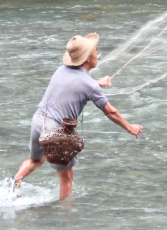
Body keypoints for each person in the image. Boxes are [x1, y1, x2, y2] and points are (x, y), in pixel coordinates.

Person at [12, 32, 142, 198]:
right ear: (87, 59)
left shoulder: (61, 70)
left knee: (37, 160)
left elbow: (74, 84)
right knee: (67, 179)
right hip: (56, 131)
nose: (97, 53)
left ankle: (15, 181)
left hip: (38, 121)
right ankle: (66, 217)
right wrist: (130, 127)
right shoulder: (89, 85)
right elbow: (110, 111)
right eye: (95, 51)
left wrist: (97, 83)